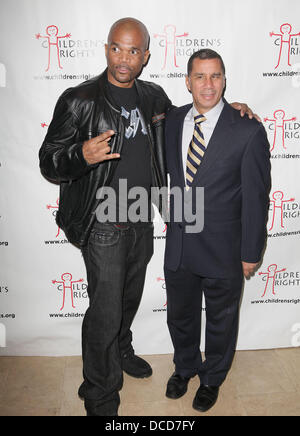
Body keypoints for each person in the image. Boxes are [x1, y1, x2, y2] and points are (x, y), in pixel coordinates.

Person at [39, 17, 256, 417]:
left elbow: (194, 116)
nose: (124, 58)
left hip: (142, 215)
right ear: (106, 49)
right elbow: (48, 162)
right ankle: (100, 391)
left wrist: (233, 110)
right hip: (103, 218)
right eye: (117, 48)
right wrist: (79, 156)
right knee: (104, 311)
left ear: (146, 56)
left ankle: (121, 351)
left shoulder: (152, 97)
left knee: (127, 299)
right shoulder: (79, 100)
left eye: (134, 51)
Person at [164, 49, 271, 413]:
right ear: (188, 81)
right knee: (180, 314)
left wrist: (250, 252)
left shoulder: (247, 129)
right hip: (179, 242)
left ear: (225, 80)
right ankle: (185, 367)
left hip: (225, 247)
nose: (208, 85)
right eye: (200, 76)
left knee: (222, 319)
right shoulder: (171, 121)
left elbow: (257, 196)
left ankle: (212, 378)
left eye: (215, 76)